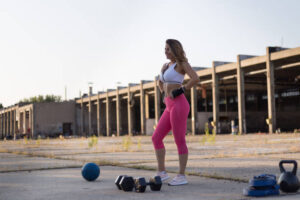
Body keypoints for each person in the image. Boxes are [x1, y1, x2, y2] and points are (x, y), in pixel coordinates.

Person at [152, 39, 200, 186]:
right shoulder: (166, 66)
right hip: (169, 105)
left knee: (179, 140)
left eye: (168, 49)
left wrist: (180, 90)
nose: (165, 51)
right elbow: (160, 82)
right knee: (156, 137)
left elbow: (195, 79)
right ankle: (162, 172)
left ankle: (181, 175)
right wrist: (163, 93)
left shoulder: (182, 64)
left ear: (175, 49)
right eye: (165, 49)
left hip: (179, 105)